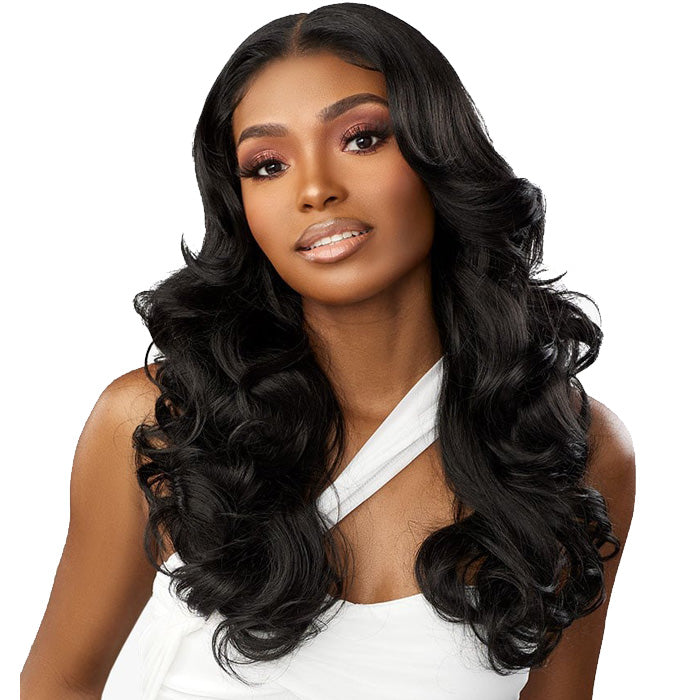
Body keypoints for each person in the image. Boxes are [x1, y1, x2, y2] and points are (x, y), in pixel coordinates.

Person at [21, 3, 635, 698]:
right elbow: (58, 683)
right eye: (268, 165)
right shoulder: (161, 424)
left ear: (439, 152)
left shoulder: (567, 445)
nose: (315, 189)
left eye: (362, 138)